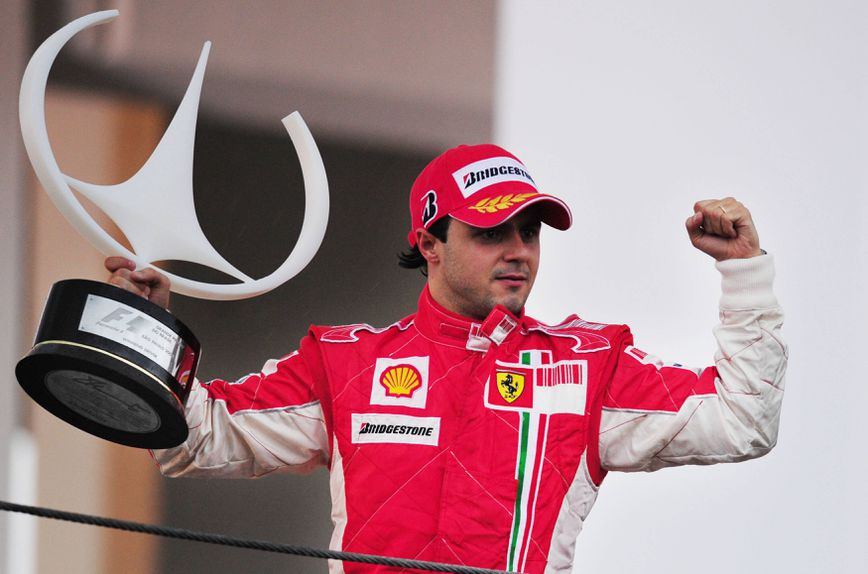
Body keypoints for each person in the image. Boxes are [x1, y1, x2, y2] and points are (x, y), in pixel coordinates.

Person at [105, 144, 786, 574]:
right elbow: (197, 438)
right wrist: (148, 330)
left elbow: (741, 421)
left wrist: (745, 272)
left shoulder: (586, 366)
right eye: (490, 232)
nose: (518, 250)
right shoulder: (346, 362)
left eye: (529, 232)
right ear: (429, 242)